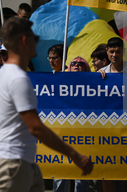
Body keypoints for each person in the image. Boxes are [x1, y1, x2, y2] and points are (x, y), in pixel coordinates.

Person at [0, 17, 93, 192]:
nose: (37, 43)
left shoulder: (4, 75)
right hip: (12, 165)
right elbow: (36, 128)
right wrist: (74, 156)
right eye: (35, 39)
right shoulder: (18, 79)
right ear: (25, 41)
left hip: (20, 163)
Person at [98, 37, 127, 192]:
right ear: (107, 53)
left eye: (117, 51)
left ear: (123, 52)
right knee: (107, 172)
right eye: (111, 52)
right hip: (108, 130)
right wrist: (97, 79)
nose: (114, 55)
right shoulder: (100, 74)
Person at [53, 56, 90, 192]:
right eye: (73, 63)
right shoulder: (59, 81)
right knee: (60, 171)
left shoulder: (94, 84)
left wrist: (101, 77)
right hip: (63, 132)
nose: (77, 65)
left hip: (84, 134)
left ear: (86, 67)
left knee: (82, 173)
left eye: (81, 63)